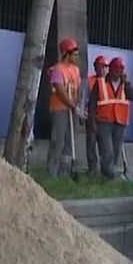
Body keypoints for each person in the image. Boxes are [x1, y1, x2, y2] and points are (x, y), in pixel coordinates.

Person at [46, 37, 83, 178]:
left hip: (71, 109)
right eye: (74, 54)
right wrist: (73, 106)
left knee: (69, 142)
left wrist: (77, 104)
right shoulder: (57, 70)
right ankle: (52, 173)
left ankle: (65, 172)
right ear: (66, 54)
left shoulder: (76, 70)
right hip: (60, 110)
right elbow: (60, 91)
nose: (76, 57)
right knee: (58, 141)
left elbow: (78, 88)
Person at [95, 56, 133, 180]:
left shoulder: (125, 84)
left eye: (120, 71)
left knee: (116, 150)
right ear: (111, 70)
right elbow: (92, 102)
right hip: (104, 120)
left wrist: (127, 83)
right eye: (116, 71)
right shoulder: (101, 82)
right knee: (107, 150)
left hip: (120, 121)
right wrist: (92, 120)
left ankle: (110, 175)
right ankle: (107, 174)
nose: (118, 74)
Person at [83, 55, 109, 176]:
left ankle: (106, 168)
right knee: (91, 143)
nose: (102, 70)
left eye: (104, 67)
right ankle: (92, 168)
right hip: (92, 117)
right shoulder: (90, 81)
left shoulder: (110, 82)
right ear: (95, 68)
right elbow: (84, 98)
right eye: (99, 67)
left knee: (105, 145)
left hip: (105, 119)